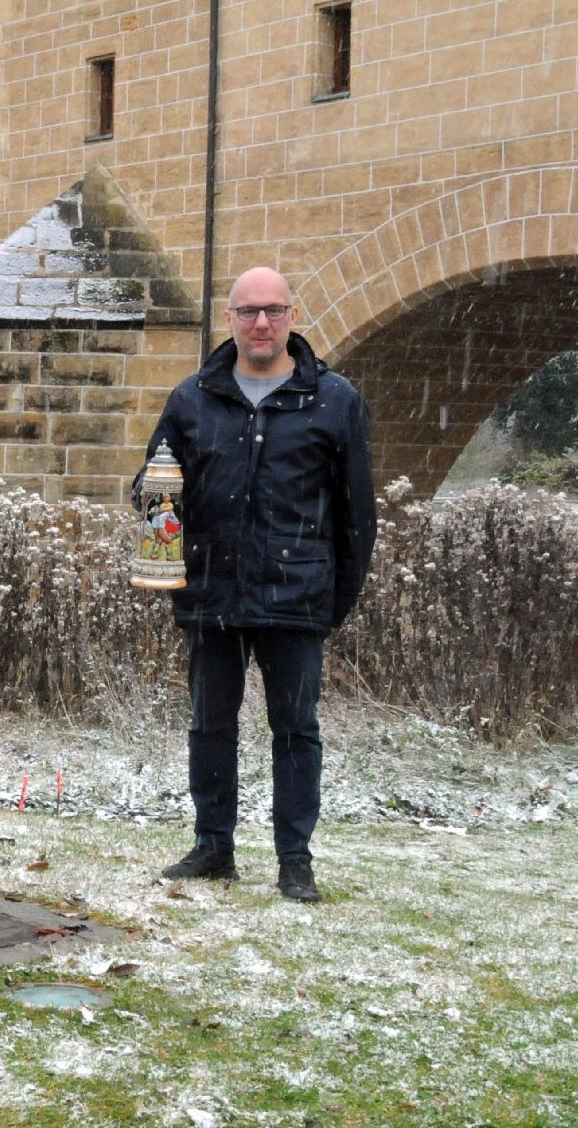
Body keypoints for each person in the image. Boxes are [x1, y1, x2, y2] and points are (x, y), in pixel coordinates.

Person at [139, 266, 376, 903]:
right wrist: (155, 501)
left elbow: (358, 516)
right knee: (209, 726)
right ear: (231, 320)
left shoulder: (334, 401)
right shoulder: (192, 399)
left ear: (292, 316)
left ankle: (294, 861)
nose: (261, 323)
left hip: (297, 599)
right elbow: (153, 488)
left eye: (273, 310)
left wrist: (335, 601)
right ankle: (214, 847)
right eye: (248, 312)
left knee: (295, 730)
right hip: (211, 596)